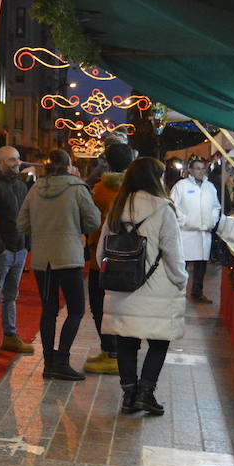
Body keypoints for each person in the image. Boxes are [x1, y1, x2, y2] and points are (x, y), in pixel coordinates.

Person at [98, 157, 188, 416]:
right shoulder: (163, 208)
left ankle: (129, 395)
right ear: (154, 178)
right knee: (159, 340)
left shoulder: (117, 205)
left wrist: (111, 273)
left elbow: (101, 250)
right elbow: (173, 252)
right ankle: (146, 393)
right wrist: (181, 279)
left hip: (121, 286)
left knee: (126, 341)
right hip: (156, 287)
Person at [17, 149, 101, 381]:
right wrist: (77, 229)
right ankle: (62, 360)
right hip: (69, 256)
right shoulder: (77, 188)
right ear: (68, 166)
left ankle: (48, 362)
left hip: (42, 259)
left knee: (49, 310)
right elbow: (93, 221)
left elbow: (21, 223)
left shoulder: (35, 189)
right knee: (76, 309)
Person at [0, 145, 34, 357]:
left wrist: (26, 243)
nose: (16, 163)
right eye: (11, 160)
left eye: (18, 159)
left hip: (19, 248)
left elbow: (25, 215)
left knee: (11, 295)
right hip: (2, 250)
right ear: (0, 162)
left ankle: (10, 336)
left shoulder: (20, 186)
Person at [84, 142, 134, 374]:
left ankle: (110, 351)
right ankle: (118, 352)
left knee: (98, 303)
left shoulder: (101, 189)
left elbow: (92, 221)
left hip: (103, 254)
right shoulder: (136, 188)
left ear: (108, 162)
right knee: (121, 304)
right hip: (130, 253)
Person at [170, 155, 221, 304]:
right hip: (186, 232)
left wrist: (212, 220)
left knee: (201, 266)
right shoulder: (181, 186)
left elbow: (215, 207)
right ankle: (178, 292)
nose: (200, 171)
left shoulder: (210, 187)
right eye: (197, 169)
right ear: (190, 170)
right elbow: (173, 205)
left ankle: (197, 293)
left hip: (204, 233)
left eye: (203, 169)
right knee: (182, 265)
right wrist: (183, 220)